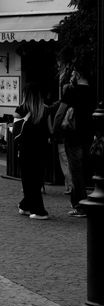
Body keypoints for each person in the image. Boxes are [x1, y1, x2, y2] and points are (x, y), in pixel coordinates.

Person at [59, 74, 93, 217]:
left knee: (76, 170)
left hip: (74, 135)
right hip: (89, 134)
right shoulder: (94, 90)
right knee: (84, 169)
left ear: (78, 74)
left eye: (73, 73)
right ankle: (78, 202)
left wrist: (55, 130)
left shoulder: (71, 90)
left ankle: (80, 204)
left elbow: (61, 111)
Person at [14, 84, 51, 219]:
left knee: (27, 179)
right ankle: (25, 205)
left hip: (26, 148)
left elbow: (15, 130)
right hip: (41, 149)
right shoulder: (45, 110)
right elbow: (50, 130)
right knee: (36, 179)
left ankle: (39, 210)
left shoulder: (21, 109)